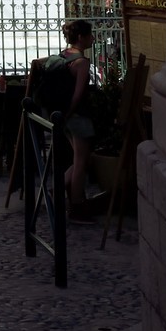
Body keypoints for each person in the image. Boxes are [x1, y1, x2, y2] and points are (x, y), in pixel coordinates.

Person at [60, 20, 95, 214]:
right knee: (82, 161)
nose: (93, 38)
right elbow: (78, 94)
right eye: (90, 34)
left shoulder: (64, 55)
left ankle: (55, 190)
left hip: (64, 116)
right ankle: (76, 205)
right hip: (77, 116)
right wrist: (70, 113)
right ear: (81, 37)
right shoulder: (81, 62)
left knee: (78, 158)